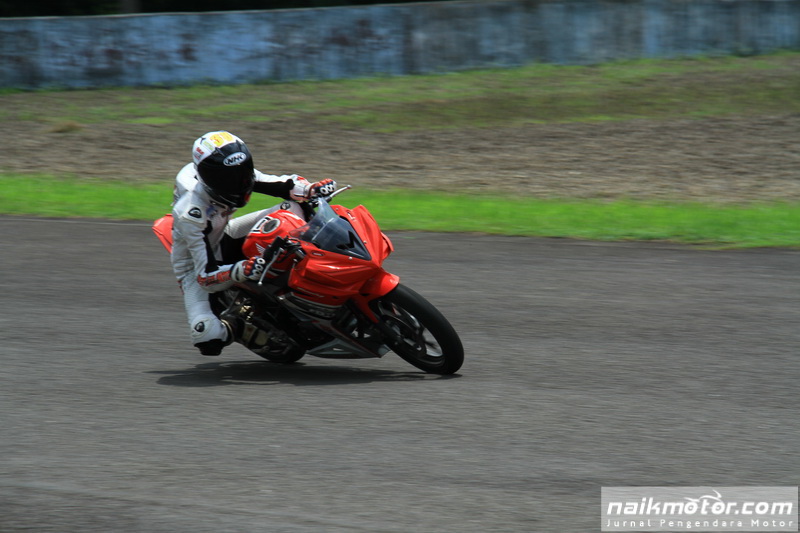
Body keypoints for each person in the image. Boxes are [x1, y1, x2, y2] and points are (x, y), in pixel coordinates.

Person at [170, 130, 336, 356]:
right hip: (195, 266)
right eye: (227, 179)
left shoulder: (238, 173)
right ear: (207, 179)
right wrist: (240, 270)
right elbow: (205, 278)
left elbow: (282, 184)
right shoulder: (191, 213)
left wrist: (310, 189)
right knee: (207, 337)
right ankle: (238, 324)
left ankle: (324, 264)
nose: (239, 183)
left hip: (225, 234)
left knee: (293, 208)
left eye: (244, 172)